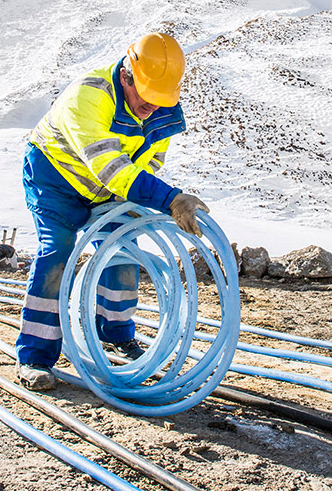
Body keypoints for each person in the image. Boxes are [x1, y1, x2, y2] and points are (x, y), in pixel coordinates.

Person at [16, 32, 210, 390]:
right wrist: (169, 199)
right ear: (126, 75)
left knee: (124, 248)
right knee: (57, 254)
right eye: (147, 96)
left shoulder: (160, 108)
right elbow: (109, 167)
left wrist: (142, 202)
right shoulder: (88, 97)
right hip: (55, 180)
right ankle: (35, 357)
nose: (152, 106)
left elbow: (147, 162)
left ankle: (116, 334)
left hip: (109, 187)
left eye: (159, 99)